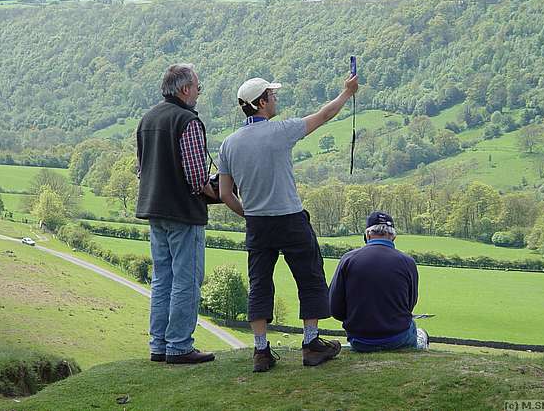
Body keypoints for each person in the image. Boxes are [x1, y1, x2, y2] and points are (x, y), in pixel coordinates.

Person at [218, 74, 358, 372]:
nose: (276, 98)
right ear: (262, 102)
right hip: (290, 218)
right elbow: (325, 114)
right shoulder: (281, 131)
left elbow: (225, 194)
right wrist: (347, 93)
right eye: (272, 94)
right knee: (309, 277)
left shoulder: (229, 144)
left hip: (257, 224)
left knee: (259, 284)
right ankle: (310, 344)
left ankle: (260, 351)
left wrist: (249, 214)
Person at [136, 63, 217, 364]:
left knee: (162, 279)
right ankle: (180, 345)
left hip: (154, 211)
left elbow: (141, 169)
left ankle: (159, 345)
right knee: (187, 280)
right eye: (197, 87)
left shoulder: (148, 118)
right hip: (184, 213)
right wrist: (225, 194)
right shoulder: (187, 121)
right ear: (185, 89)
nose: (199, 92)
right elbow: (197, 179)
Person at [329, 211, 429, 352]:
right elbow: (410, 305)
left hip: (359, 340)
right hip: (397, 338)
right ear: (393, 236)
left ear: (367, 235)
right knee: (421, 333)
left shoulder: (348, 259)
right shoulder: (407, 262)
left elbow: (335, 308)